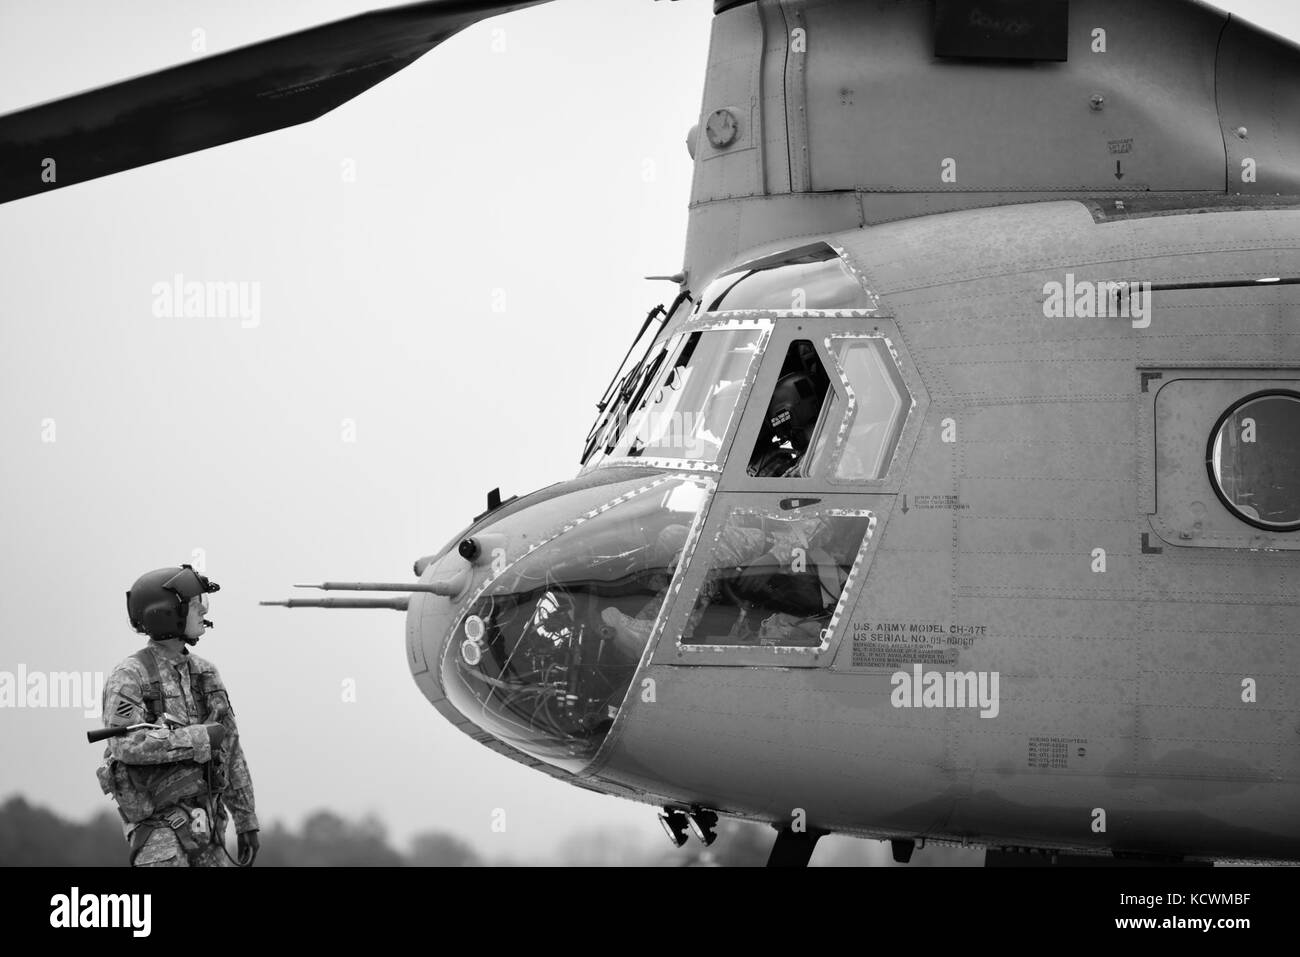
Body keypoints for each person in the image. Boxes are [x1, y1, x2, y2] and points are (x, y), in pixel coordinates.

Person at [97, 564, 259, 867]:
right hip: (159, 831)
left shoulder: (206, 673)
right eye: (194, 603)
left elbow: (231, 749)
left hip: (210, 828)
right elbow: (126, 745)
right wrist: (197, 738)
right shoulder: (130, 676)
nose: (202, 610)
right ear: (167, 613)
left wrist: (247, 819)